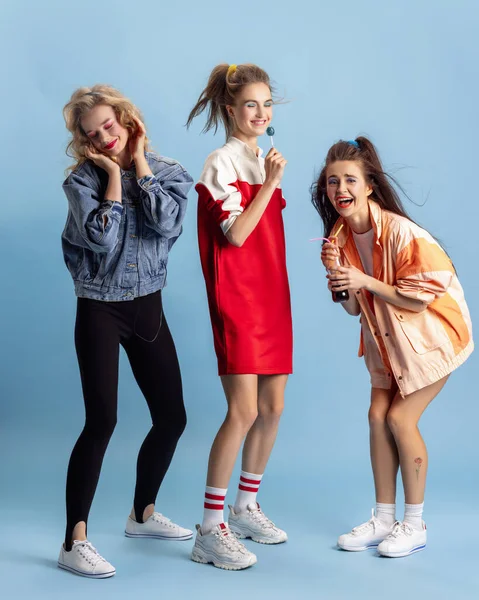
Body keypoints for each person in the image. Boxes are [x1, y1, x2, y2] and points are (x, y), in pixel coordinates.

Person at [312, 136, 473, 558]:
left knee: (401, 419)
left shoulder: (402, 233)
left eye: (349, 180)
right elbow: (352, 310)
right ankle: (384, 518)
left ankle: (414, 524)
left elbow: (419, 298)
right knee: (376, 417)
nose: (339, 190)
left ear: (369, 186)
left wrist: (363, 281)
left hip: (431, 338)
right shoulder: (338, 238)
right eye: (332, 182)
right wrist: (341, 283)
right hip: (386, 343)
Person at [58, 84, 193, 578]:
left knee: (172, 417)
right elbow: (101, 238)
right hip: (99, 311)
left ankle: (142, 514)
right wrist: (114, 175)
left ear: (127, 119)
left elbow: (167, 224)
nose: (104, 137)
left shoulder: (170, 173)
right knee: (102, 422)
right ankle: (74, 541)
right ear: (85, 141)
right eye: (93, 134)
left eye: (109, 126)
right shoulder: (81, 182)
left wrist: (138, 167)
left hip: (147, 308)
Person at [186, 63, 292, 570]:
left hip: (273, 297)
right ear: (231, 108)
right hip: (239, 300)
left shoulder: (258, 156)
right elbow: (236, 235)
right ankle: (210, 528)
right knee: (243, 411)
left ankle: (245, 506)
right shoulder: (222, 161)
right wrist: (270, 182)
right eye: (252, 104)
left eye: (267, 104)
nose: (261, 113)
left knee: (272, 408)